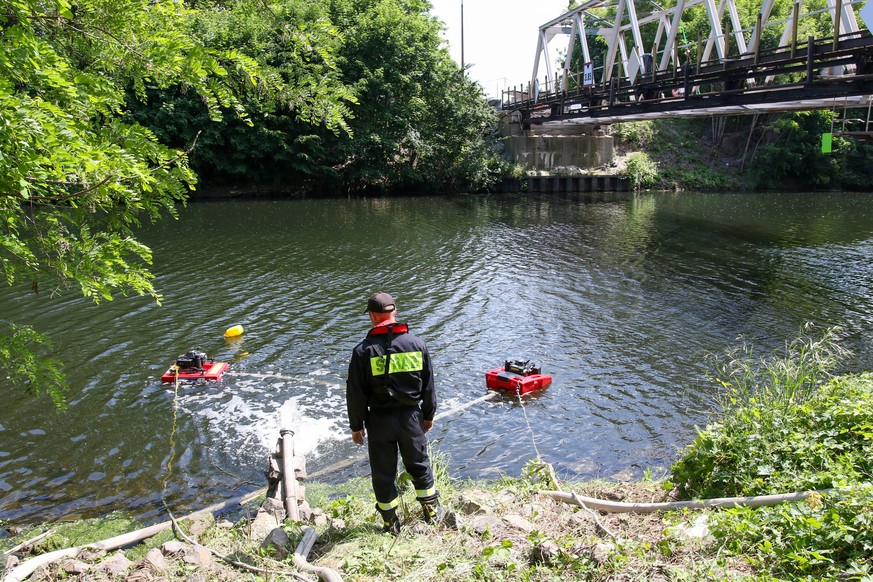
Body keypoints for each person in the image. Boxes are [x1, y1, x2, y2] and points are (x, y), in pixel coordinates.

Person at [346, 292, 441, 534]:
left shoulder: (362, 351)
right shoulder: (417, 344)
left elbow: (355, 394)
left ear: (373, 316)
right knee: (419, 465)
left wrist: (356, 426)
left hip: (378, 420)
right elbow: (429, 384)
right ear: (394, 312)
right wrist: (428, 415)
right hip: (411, 417)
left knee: (383, 473)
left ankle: (390, 524)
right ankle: (432, 514)